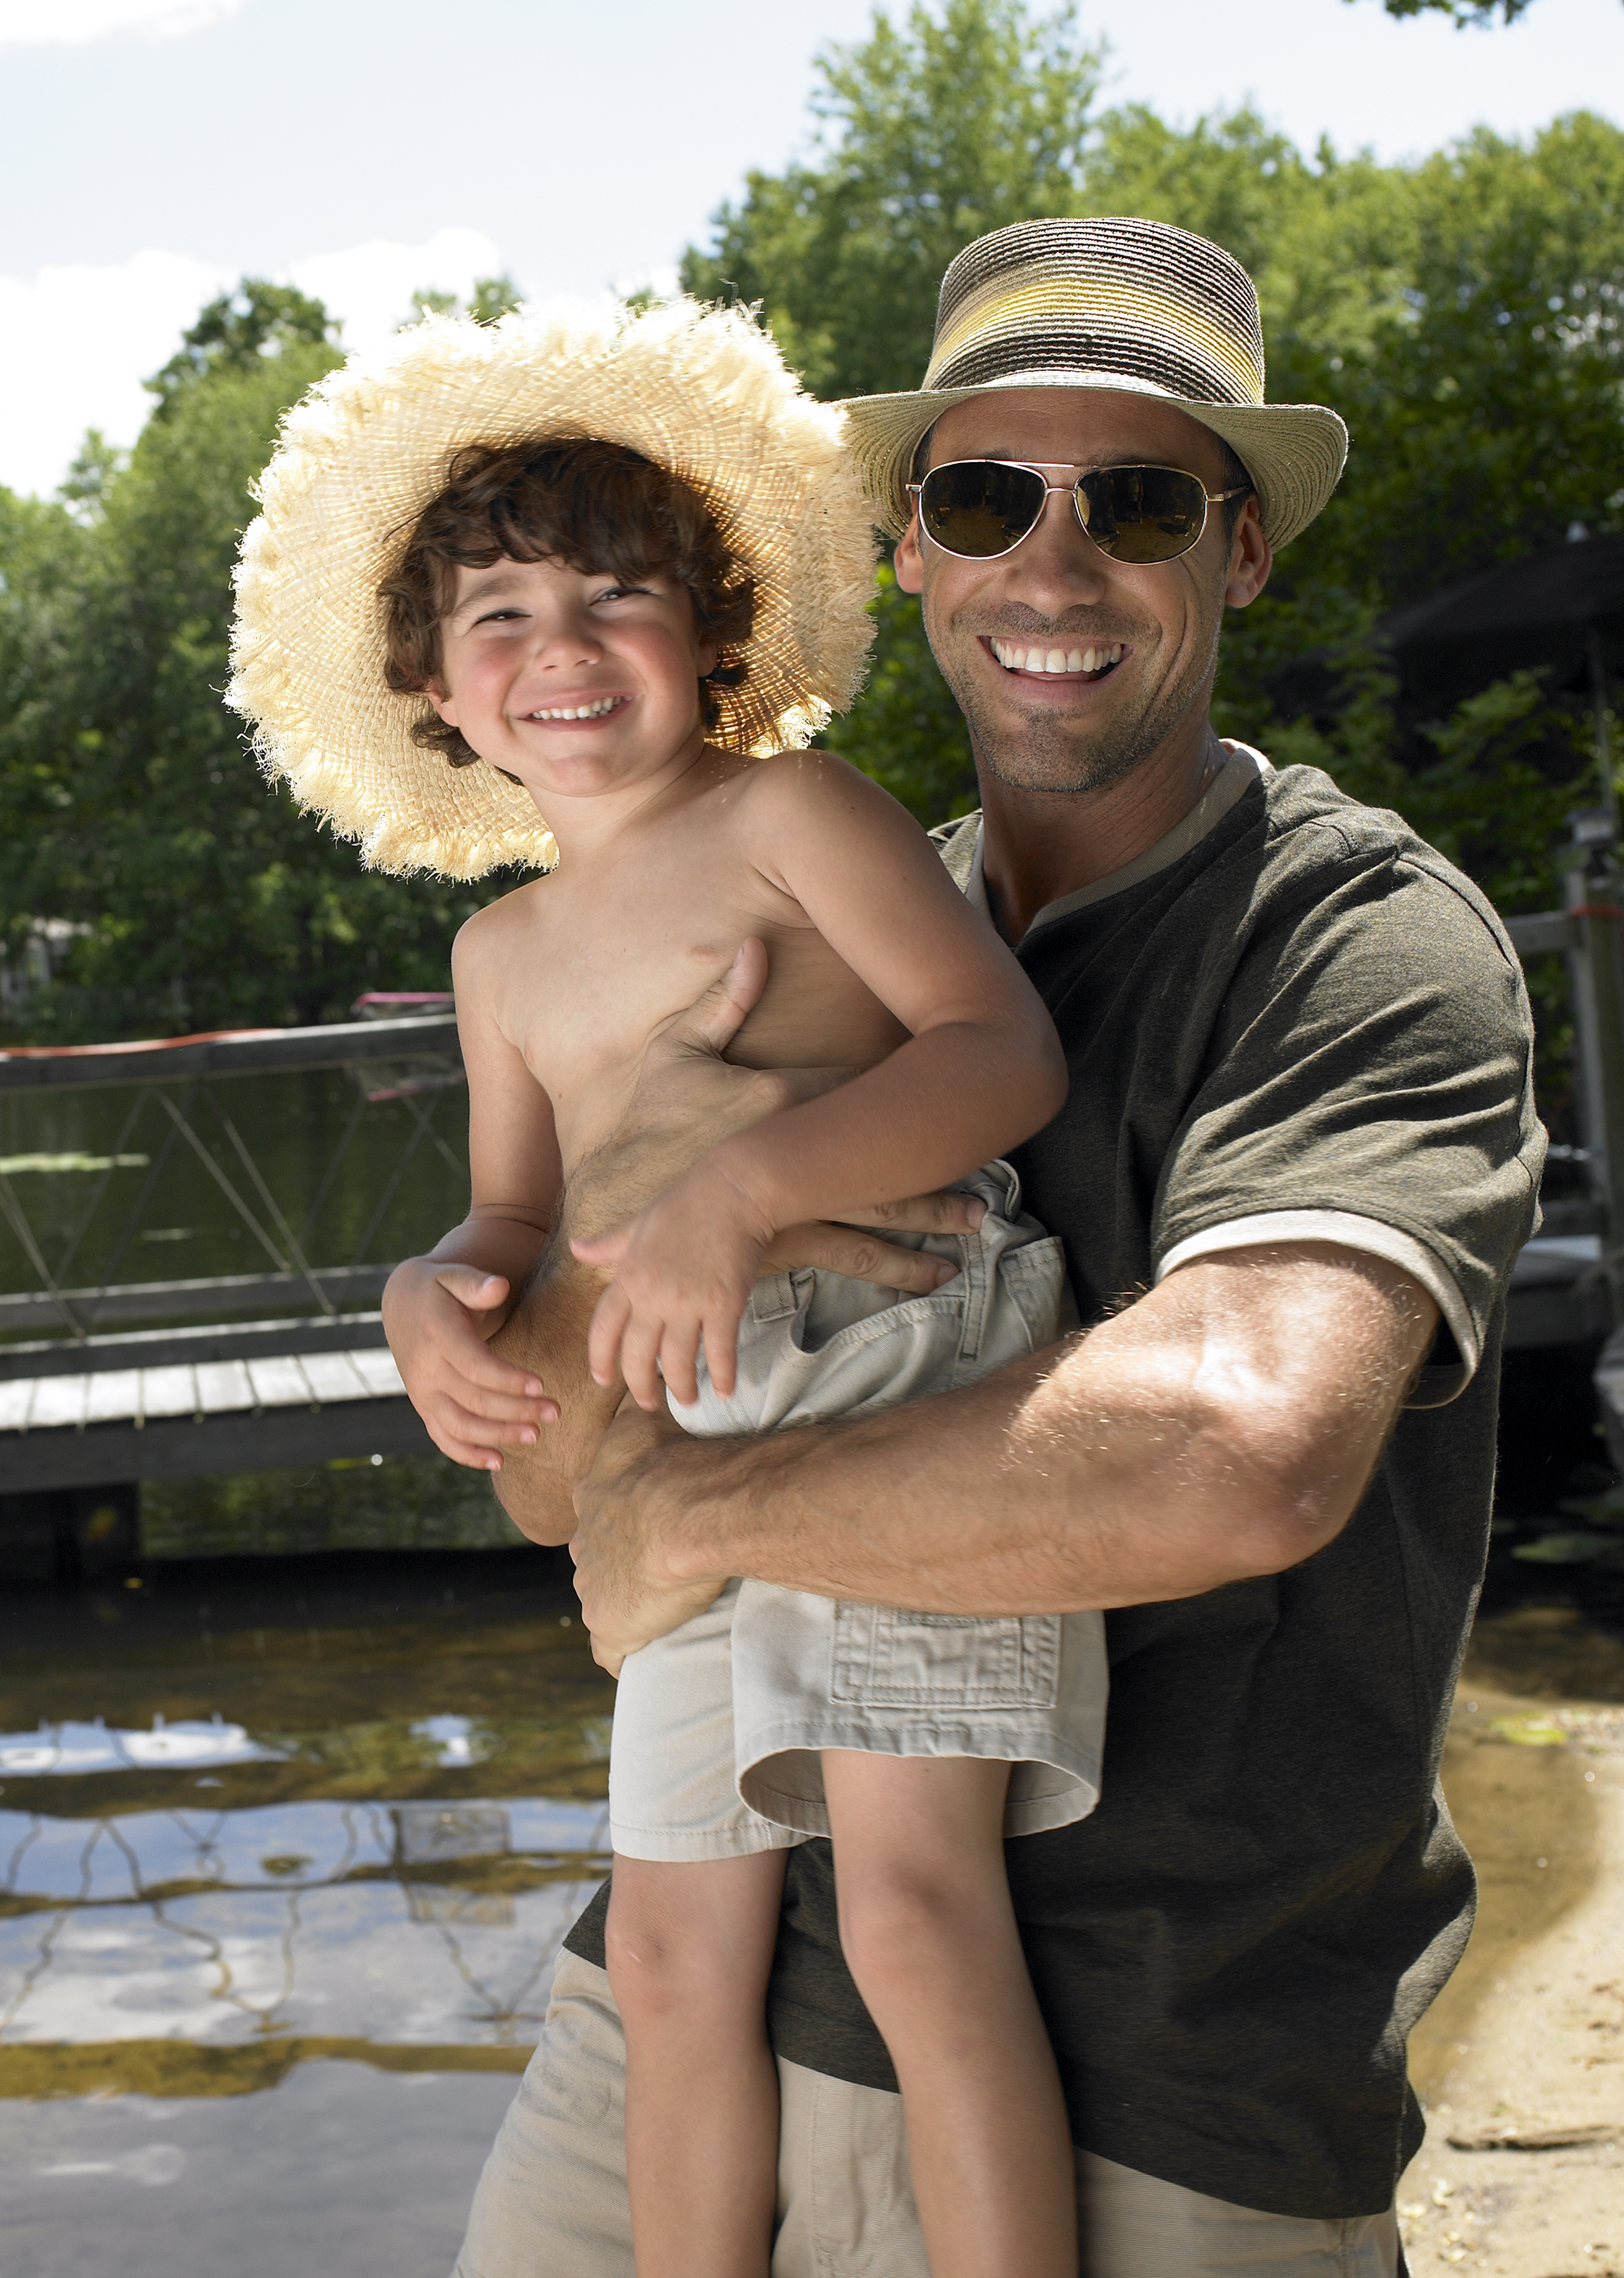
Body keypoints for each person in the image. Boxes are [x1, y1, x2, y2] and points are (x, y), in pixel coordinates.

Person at [432, 216, 1547, 2277]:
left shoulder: (1353, 935)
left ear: (1237, 552)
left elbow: (1233, 1446)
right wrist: (573, 1272)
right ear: (906, 551)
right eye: (980, 496)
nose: (1051, 567)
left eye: (1133, 500)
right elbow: (558, 1491)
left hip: (1152, 2084)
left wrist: (701, 1499)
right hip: (677, 2016)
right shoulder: (779, 919)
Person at [228, 299, 1114, 2278]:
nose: (560, 651)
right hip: (672, 1432)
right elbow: (511, 1227)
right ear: (434, 690)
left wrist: (741, 1183)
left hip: (900, 1371)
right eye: (499, 617)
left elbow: (998, 1050)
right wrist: (420, 1295)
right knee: (665, 1937)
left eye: (615, 598)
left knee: (906, 1908)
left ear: (711, 632)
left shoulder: (790, 816)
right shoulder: (503, 957)